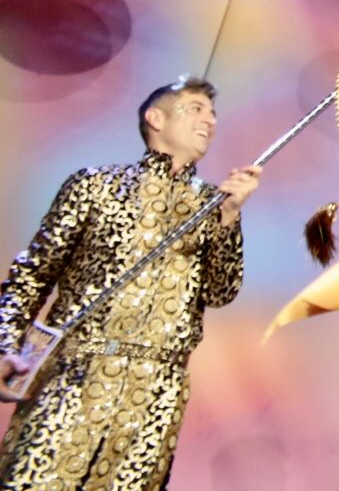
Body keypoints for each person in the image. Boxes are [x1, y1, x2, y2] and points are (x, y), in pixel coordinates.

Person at [0, 78, 261, 490]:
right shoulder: (94, 185)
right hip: (78, 373)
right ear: (155, 118)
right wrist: (5, 347)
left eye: (213, 114)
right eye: (195, 108)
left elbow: (220, 291)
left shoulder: (214, 205)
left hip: (159, 388)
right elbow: (32, 274)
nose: (209, 120)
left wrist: (229, 216)